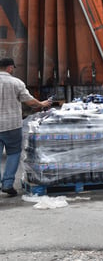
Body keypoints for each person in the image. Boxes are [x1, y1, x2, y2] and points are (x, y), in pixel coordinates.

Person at [0, 57, 52, 196]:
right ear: (10, 68)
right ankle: (7, 184)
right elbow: (30, 102)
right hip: (11, 125)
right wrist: (42, 104)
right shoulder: (16, 83)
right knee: (13, 153)